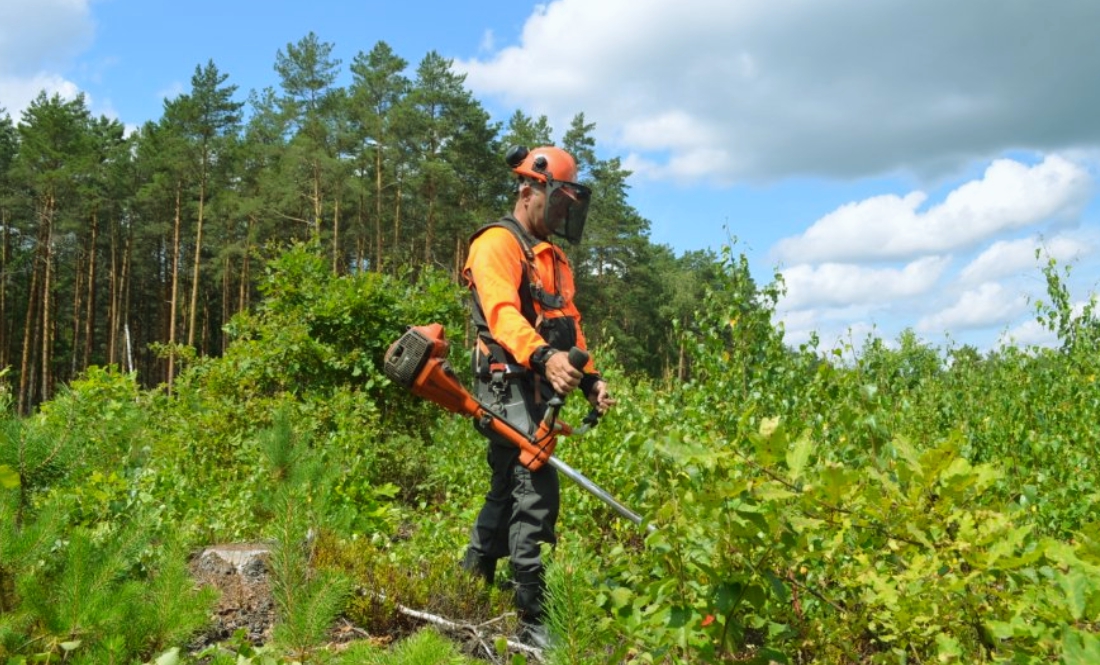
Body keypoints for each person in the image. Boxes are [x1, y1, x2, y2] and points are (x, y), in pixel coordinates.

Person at [460, 145, 614, 646]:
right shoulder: (496, 244)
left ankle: (468, 586)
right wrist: (543, 358)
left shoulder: (554, 257)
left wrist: (588, 378)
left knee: (507, 486)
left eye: (571, 206)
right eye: (560, 203)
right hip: (505, 383)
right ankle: (531, 619)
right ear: (530, 189)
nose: (565, 213)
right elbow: (503, 314)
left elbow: (568, 324)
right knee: (535, 488)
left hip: (535, 383)